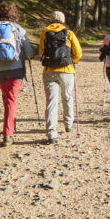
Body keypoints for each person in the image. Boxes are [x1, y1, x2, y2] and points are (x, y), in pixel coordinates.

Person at [0, 0, 34, 146]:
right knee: (11, 101)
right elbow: (29, 51)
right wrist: (29, 56)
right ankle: (7, 133)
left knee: (7, 99)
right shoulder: (18, 29)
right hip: (15, 69)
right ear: (14, 13)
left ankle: (10, 124)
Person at [37, 10, 82, 145]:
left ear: (50, 20)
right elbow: (78, 53)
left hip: (49, 71)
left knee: (51, 101)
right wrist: (71, 61)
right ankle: (68, 124)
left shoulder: (45, 33)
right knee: (67, 96)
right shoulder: (69, 33)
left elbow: (41, 53)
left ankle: (51, 133)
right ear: (63, 20)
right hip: (67, 71)